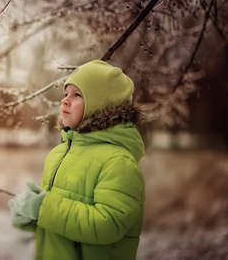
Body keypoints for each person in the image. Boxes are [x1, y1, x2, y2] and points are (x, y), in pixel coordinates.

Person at [9, 60, 145, 260]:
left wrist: (44, 208)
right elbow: (59, 223)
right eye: (65, 94)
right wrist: (30, 214)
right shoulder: (58, 154)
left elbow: (109, 224)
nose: (65, 100)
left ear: (101, 105)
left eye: (77, 95)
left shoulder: (118, 162)